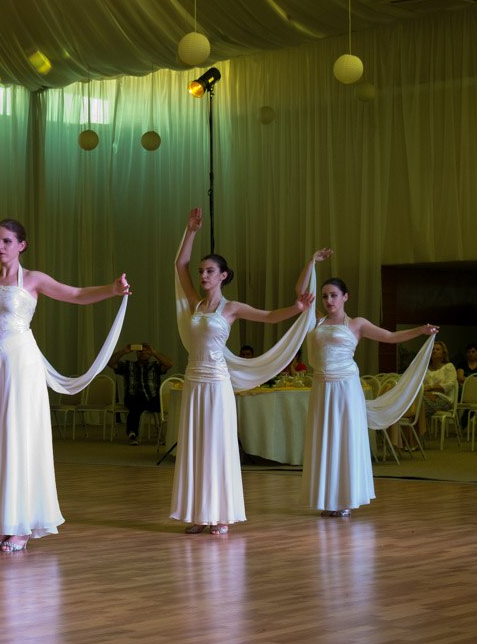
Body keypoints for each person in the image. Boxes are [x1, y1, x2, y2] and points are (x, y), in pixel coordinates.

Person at [0, 168, 129, 552]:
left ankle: (21, 526)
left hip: (20, 365)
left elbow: (76, 294)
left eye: (6, 241)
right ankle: (2, 522)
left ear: (22, 245)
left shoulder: (33, 279)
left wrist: (112, 290)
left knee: (18, 438)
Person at [171, 207, 315, 535]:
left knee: (217, 445)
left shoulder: (231, 308)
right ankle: (200, 513)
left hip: (216, 382)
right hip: (194, 380)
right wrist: (190, 230)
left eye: (210, 271)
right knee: (196, 446)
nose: (203, 275)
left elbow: (269, 317)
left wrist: (296, 308)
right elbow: (180, 265)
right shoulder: (195, 303)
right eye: (202, 271)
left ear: (223, 276)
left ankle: (221, 514)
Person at [301, 268, 438, 517]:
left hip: (346, 387)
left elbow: (390, 337)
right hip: (321, 386)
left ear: (345, 297)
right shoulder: (318, 320)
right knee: (325, 439)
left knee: (344, 438)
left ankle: (345, 499)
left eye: (333, 295)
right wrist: (311, 263)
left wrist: (420, 331)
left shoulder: (357, 324)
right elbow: (300, 293)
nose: (328, 300)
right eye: (324, 296)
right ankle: (327, 499)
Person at [107, 343, 173, 444]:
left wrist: (155, 353)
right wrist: (123, 351)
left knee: (169, 407)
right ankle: (132, 434)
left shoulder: (155, 366)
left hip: (152, 397)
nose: (142, 353)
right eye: (139, 351)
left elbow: (169, 364)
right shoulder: (128, 365)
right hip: (133, 397)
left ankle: (167, 436)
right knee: (136, 405)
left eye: (145, 351)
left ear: (150, 354)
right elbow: (110, 363)